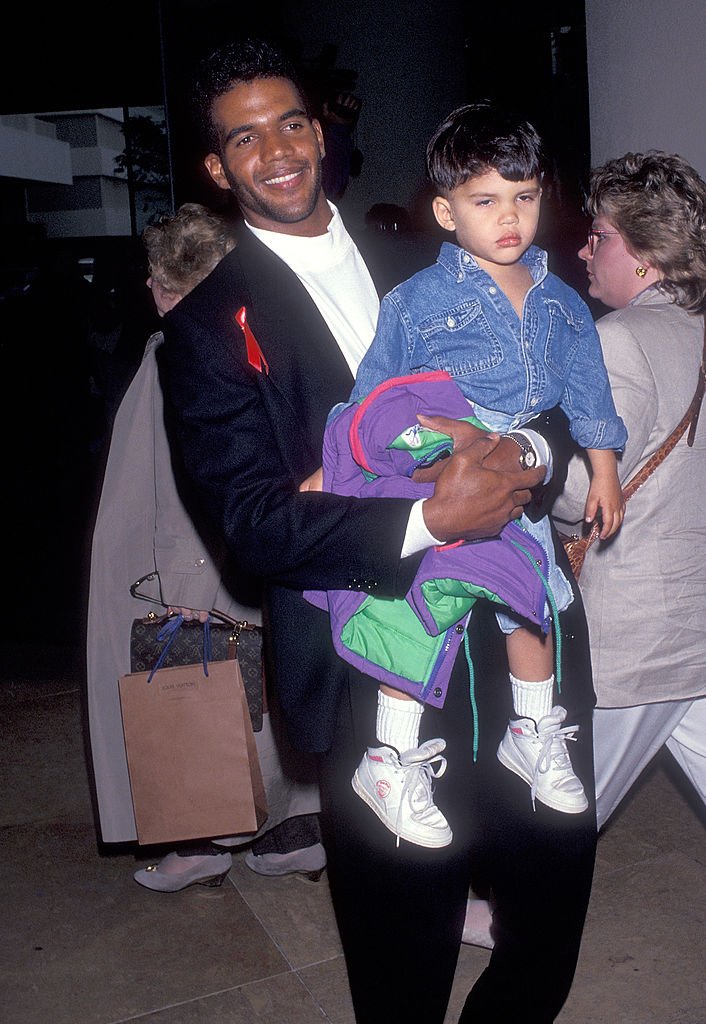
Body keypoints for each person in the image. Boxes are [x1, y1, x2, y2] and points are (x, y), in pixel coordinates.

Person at [157, 37, 598, 1023]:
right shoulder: (205, 329)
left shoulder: (432, 254)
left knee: (550, 922)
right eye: (244, 137)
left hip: (518, 653)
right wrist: (422, 514)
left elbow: (560, 389)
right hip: (373, 677)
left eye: (292, 122)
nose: (275, 151)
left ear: (323, 133)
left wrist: (523, 455)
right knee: (403, 968)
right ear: (217, 167)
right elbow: (255, 524)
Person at [309, 103, 626, 845]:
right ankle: (389, 757)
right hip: (439, 471)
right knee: (416, 611)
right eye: (486, 201)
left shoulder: (563, 305)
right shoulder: (418, 300)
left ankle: (534, 730)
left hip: (520, 488)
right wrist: (343, 470)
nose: (509, 217)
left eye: (524, 197)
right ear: (448, 212)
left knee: (535, 602)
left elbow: (589, 395)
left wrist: (603, 469)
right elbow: (372, 396)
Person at [85, 202, 324, 893]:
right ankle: (298, 829)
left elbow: (149, 484)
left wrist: (163, 583)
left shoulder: (175, 352)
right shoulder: (262, 335)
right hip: (276, 545)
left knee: (202, 693)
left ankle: (205, 842)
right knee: (276, 691)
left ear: (163, 284)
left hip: (197, 556)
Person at [552, 150, 706, 829]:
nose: (584, 250)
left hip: (640, 626)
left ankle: (515, 918)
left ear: (645, 253)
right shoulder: (695, 328)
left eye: (601, 236)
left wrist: (521, 460)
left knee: (562, 800)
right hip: (691, 616)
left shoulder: (619, 340)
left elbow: (585, 493)